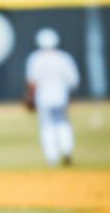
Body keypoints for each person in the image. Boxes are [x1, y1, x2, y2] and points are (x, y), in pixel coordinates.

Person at [25, 28, 79, 166]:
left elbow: (32, 82)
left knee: (46, 126)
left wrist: (29, 98)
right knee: (63, 123)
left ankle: (52, 158)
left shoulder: (35, 58)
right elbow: (73, 80)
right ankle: (67, 150)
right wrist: (70, 96)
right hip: (61, 96)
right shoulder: (64, 58)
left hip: (43, 97)